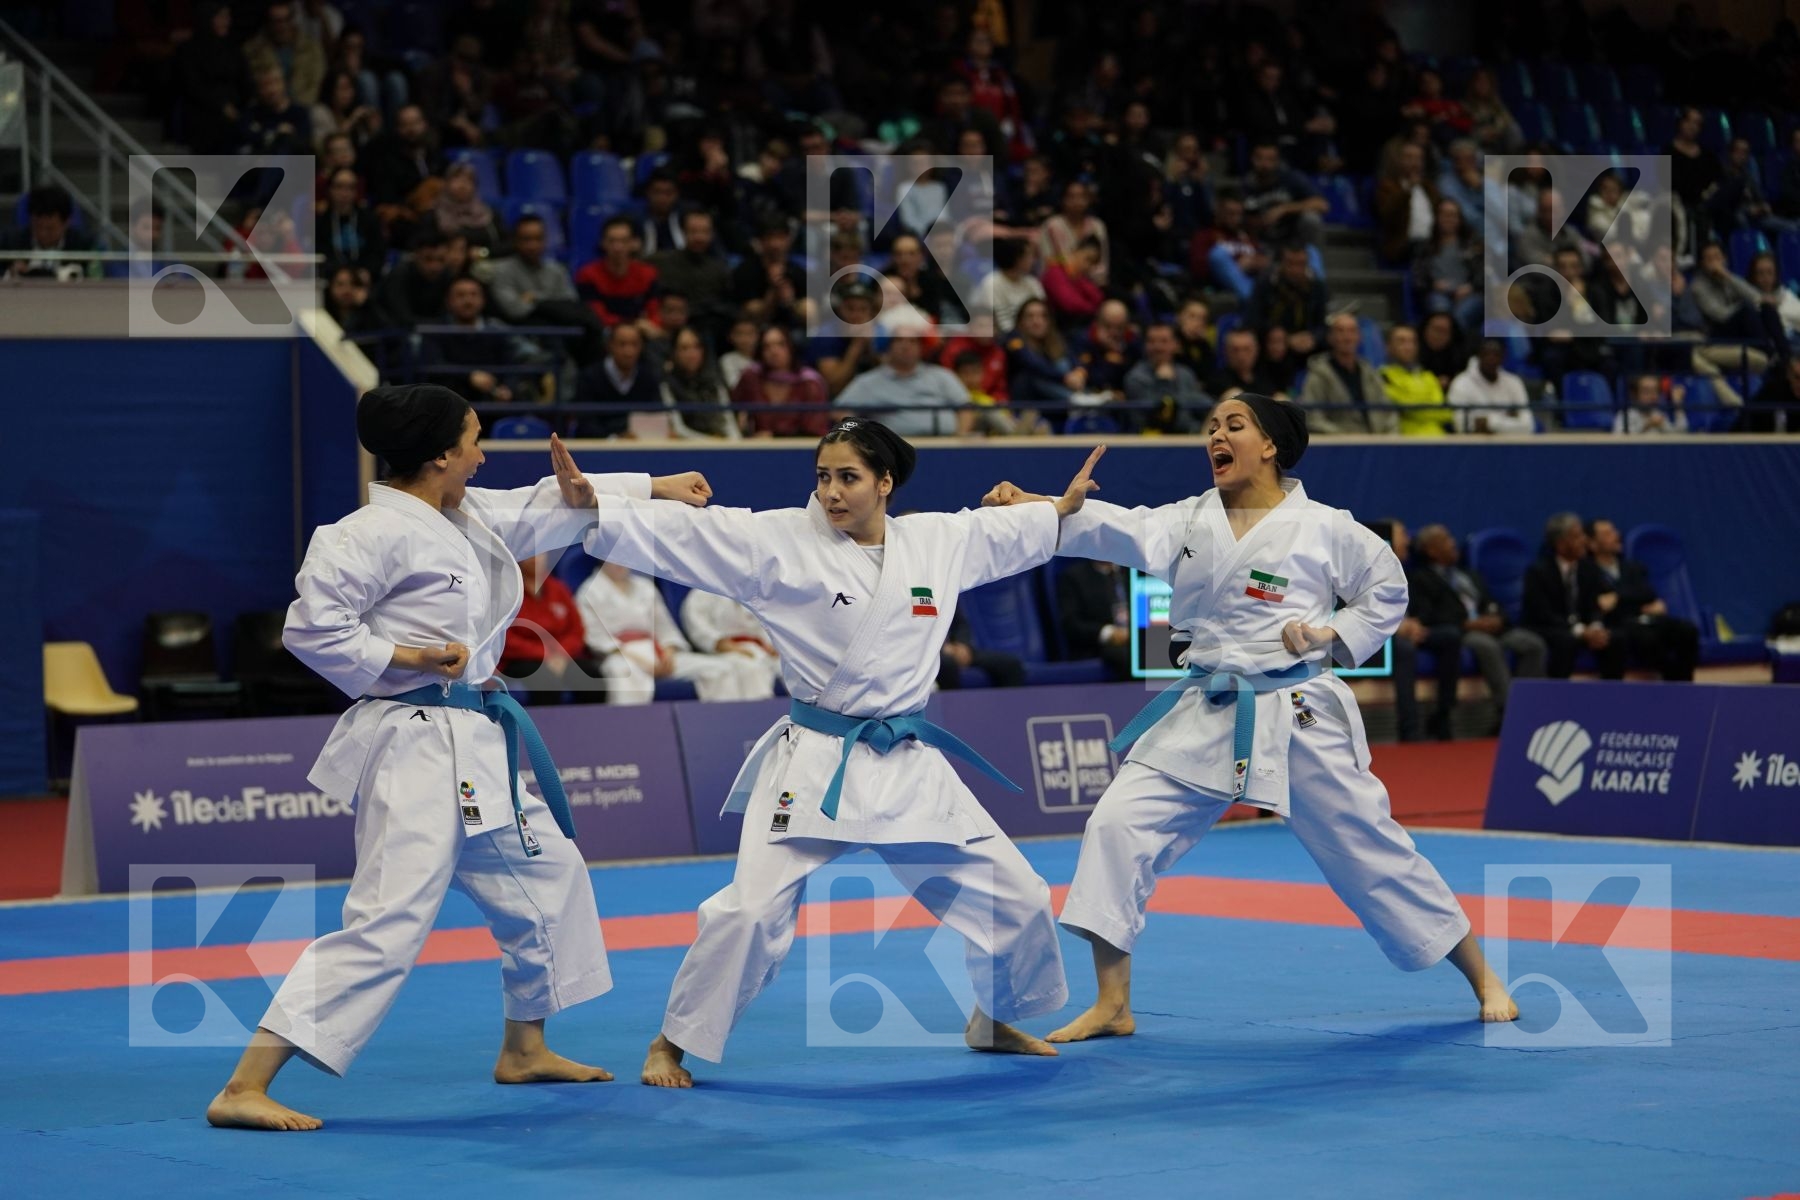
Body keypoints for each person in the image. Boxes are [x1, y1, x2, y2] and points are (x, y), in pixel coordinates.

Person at [205, 384, 710, 1131]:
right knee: (388, 921)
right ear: (442, 453)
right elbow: (311, 630)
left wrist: (655, 485)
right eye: (474, 440)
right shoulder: (364, 533)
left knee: (550, 877)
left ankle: (524, 1049)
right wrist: (407, 654)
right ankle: (243, 1086)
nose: (482, 455)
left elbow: (546, 501)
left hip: (474, 741)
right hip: (412, 741)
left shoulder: (466, 515)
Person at [576, 423, 1108, 1086]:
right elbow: (690, 534)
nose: (830, 492)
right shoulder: (778, 542)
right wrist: (600, 505)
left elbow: (1009, 532)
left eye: (848, 478)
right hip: (817, 761)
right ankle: (671, 1042)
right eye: (823, 476)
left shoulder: (936, 543)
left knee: (1019, 895)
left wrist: (1059, 506)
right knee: (749, 913)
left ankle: (995, 1017)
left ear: (885, 483)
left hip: (907, 760)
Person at [983, 394, 1517, 1043]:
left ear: (1270, 446)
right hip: (1207, 705)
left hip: (1296, 709)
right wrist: (1036, 505)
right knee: (1117, 826)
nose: (1217, 435)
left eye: (1234, 425)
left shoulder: (1326, 527)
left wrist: (1329, 634)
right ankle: (1114, 1004)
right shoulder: (1188, 519)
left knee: (1370, 850)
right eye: (1211, 427)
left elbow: (1387, 590)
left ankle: (1483, 978)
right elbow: (1104, 526)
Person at [1407, 524, 1548, 738]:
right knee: (1487, 646)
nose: (1452, 543)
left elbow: (1491, 602)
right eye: (1445, 540)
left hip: (1493, 629)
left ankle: (1529, 708)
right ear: (1431, 550)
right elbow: (1428, 616)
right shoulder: (1421, 579)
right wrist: (1467, 624)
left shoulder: (1469, 575)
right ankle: (1510, 713)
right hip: (1465, 632)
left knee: (1532, 644)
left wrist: (1497, 618)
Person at [575, 560, 778, 703]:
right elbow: (597, 639)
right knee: (622, 674)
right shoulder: (589, 592)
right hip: (622, 656)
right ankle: (631, 736)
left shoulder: (645, 588)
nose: (619, 563)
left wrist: (669, 652)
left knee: (721, 669)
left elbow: (665, 629)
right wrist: (641, 661)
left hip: (659, 653)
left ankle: (721, 727)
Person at [1587, 519, 1700, 682]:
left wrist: (1618, 597)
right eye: (1607, 534)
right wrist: (1633, 601)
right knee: (1646, 640)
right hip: (1620, 625)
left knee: (1688, 630)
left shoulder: (1633, 567)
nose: (1616, 536)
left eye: (1614, 531)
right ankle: (1674, 678)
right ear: (1592, 544)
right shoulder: (1587, 571)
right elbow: (1599, 604)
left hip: (1647, 619)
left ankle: (1686, 683)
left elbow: (1647, 593)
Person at [1521, 512, 1626, 679]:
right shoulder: (1538, 572)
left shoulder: (1588, 568)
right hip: (1549, 627)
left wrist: (1596, 627)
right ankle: (1558, 692)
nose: (1584, 540)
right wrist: (1580, 630)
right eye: (1577, 537)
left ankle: (1612, 692)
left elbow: (1595, 605)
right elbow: (1544, 614)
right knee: (1566, 641)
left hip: (1582, 628)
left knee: (1614, 639)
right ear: (1561, 544)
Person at [835, 324, 967, 437]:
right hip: (892, 450)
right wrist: (864, 437)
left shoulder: (942, 376)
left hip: (944, 445)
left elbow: (966, 408)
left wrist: (960, 440)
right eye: (899, 340)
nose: (906, 346)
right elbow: (839, 411)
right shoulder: (867, 382)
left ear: (921, 347)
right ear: (888, 346)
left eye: (912, 341)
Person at [1298, 314, 1396, 434]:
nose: (1347, 337)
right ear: (1330, 338)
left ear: (1359, 337)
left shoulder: (1370, 372)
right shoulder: (1318, 374)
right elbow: (1313, 418)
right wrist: (1346, 437)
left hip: (1377, 440)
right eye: (1340, 331)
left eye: (1352, 331)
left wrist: (1390, 437)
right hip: (1339, 442)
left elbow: (1388, 411)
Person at [733, 324, 832, 438]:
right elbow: (732, 409)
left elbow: (815, 430)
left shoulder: (809, 382)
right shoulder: (751, 378)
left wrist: (774, 436)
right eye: (767, 346)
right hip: (756, 445)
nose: (774, 351)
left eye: (780, 344)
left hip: (800, 446)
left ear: (790, 347)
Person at [1123, 323, 1210, 434]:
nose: (1158, 347)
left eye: (1164, 341)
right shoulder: (1135, 378)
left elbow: (1202, 405)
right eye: (1152, 341)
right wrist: (1164, 382)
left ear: (1175, 345)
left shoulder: (1186, 374)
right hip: (1152, 439)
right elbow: (1158, 417)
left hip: (1191, 436)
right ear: (1145, 345)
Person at [1055, 558, 1133, 680]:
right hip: (1097, 647)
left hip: (1136, 639)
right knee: (1130, 656)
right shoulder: (1073, 577)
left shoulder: (1132, 571)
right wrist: (1111, 633)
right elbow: (1071, 624)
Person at [660, 326, 739, 440]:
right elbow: (678, 429)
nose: (692, 354)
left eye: (697, 347)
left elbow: (730, 423)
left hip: (722, 443)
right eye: (684, 348)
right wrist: (712, 442)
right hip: (689, 447)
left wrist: (736, 443)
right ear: (674, 352)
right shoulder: (667, 385)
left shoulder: (715, 382)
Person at [1446, 339, 1536, 434]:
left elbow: (1528, 426)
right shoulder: (1461, 383)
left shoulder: (1514, 382)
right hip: (1474, 443)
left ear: (1503, 357)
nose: (1491, 359)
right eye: (1486, 354)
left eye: (1496, 355)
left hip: (1512, 442)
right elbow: (1462, 427)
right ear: (1478, 356)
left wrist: (1490, 422)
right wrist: (1508, 418)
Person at [1380, 324, 1452, 436]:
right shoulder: (1383, 377)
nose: (1408, 347)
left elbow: (1445, 413)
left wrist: (1416, 409)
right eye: (1401, 341)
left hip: (1439, 438)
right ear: (1388, 346)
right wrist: (1427, 408)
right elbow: (1406, 407)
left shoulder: (1428, 376)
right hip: (1406, 440)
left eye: (1412, 342)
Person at [1614, 374, 1690, 435]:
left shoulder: (1658, 414)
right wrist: (1646, 425)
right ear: (1635, 394)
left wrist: (1677, 403)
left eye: (1655, 391)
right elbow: (1619, 440)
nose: (1652, 396)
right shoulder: (1625, 415)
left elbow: (1680, 436)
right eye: (1646, 391)